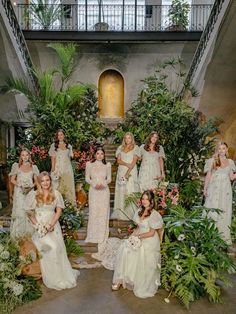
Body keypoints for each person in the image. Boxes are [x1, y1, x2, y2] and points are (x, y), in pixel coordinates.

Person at [27, 171, 79, 290]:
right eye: (43, 181)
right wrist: (38, 226)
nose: (45, 183)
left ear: (50, 181)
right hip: (39, 227)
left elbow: (59, 211)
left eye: (47, 180)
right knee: (50, 248)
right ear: (39, 183)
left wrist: (50, 225)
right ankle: (52, 278)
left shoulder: (56, 193)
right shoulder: (34, 195)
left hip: (52, 226)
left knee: (57, 248)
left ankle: (60, 276)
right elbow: (30, 213)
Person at [112, 190, 163, 298]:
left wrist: (138, 237)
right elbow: (138, 227)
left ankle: (134, 279)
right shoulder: (139, 211)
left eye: (147, 199)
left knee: (138, 252)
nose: (144, 201)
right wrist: (131, 237)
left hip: (149, 240)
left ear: (151, 201)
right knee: (124, 248)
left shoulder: (154, 214)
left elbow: (151, 233)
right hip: (139, 236)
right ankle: (120, 279)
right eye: (143, 199)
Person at [204, 141, 236, 245]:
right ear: (217, 150)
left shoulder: (230, 162)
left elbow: (231, 177)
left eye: (223, 148)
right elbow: (208, 176)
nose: (222, 150)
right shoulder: (212, 161)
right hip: (214, 189)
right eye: (220, 149)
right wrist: (205, 189)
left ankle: (222, 236)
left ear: (227, 150)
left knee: (224, 210)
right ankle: (210, 234)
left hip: (226, 190)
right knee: (212, 210)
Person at [85, 147, 111, 260]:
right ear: (95, 154)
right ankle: (94, 234)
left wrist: (104, 184)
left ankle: (102, 235)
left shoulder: (107, 165)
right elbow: (87, 178)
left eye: (102, 154)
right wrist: (94, 184)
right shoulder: (89, 165)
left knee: (103, 213)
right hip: (94, 191)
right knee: (94, 213)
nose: (100, 155)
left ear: (104, 155)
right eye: (98, 153)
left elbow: (109, 179)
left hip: (104, 191)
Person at [9, 149, 39, 239]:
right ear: (20, 157)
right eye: (23, 155)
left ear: (29, 156)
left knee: (29, 211)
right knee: (20, 212)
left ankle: (30, 236)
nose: (25, 157)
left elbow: (36, 181)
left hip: (30, 193)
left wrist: (30, 187)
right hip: (19, 193)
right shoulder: (16, 166)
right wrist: (20, 185)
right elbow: (12, 180)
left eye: (26, 155)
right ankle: (18, 237)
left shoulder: (33, 167)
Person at [112, 132, 140, 220]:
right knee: (121, 190)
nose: (127, 140)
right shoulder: (120, 148)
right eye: (126, 138)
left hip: (131, 172)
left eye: (129, 138)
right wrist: (126, 164)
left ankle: (131, 213)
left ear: (132, 139)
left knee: (130, 190)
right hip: (121, 170)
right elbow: (119, 161)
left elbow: (133, 162)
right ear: (124, 139)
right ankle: (120, 213)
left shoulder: (136, 148)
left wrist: (127, 173)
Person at [49, 129, 76, 204]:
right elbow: (53, 159)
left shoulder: (69, 146)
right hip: (58, 169)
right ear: (57, 136)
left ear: (64, 135)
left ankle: (69, 206)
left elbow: (69, 159)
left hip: (67, 170)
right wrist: (53, 170)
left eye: (61, 134)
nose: (60, 136)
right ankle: (57, 205)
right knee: (57, 187)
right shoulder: (54, 146)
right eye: (58, 135)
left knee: (67, 187)